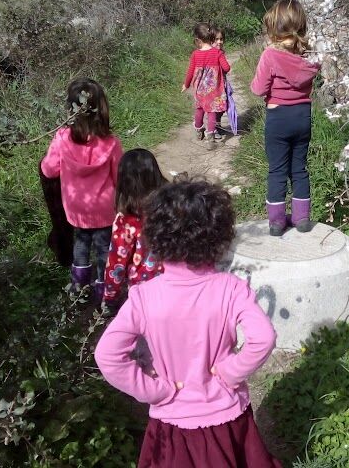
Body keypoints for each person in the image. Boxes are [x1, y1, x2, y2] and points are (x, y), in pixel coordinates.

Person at [94, 180, 280, 468]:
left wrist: (153, 391)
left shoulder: (144, 297)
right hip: (226, 416)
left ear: (156, 237)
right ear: (218, 237)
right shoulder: (230, 289)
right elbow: (263, 338)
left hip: (172, 423)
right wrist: (230, 373)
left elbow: (107, 355)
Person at [40, 78, 122, 301]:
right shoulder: (111, 142)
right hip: (105, 207)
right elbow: (119, 176)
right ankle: (105, 293)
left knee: (81, 243)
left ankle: (79, 289)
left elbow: (48, 170)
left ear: (71, 109)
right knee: (105, 248)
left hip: (76, 206)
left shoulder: (62, 138)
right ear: (101, 108)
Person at [250, 0, 320, 236]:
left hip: (278, 116)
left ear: (275, 30)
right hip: (302, 116)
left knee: (277, 170)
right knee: (299, 168)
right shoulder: (310, 57)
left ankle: (277, 222)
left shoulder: (270, 56)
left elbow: (258, 89)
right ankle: (302, 219)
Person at [102, 148, 168, 315]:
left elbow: (116, 262)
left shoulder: (126, 219)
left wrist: (110, 296)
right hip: (175, 280)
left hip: (143, 291)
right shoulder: (171, 205)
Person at [182, 23, 231, 146]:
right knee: (212, 112)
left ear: (198, 39)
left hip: (199, 90)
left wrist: (186, 85)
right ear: (211, 37)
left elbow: (190, 71)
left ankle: (199, 130)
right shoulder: (217, 53)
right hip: (213, 90)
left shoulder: (195, 54)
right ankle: (211, 137)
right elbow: (227, 68)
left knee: (199, 109)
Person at [212, 27, 238, 137]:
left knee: (221, 107)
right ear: (209, 40)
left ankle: (216, 126)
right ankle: (213, 129)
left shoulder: (219, 52)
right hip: (214, 86)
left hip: (220, 85)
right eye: (215, 39)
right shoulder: (216, 53)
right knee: (215, 108)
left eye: (221, 39)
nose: (219, 42)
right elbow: (226, 68)